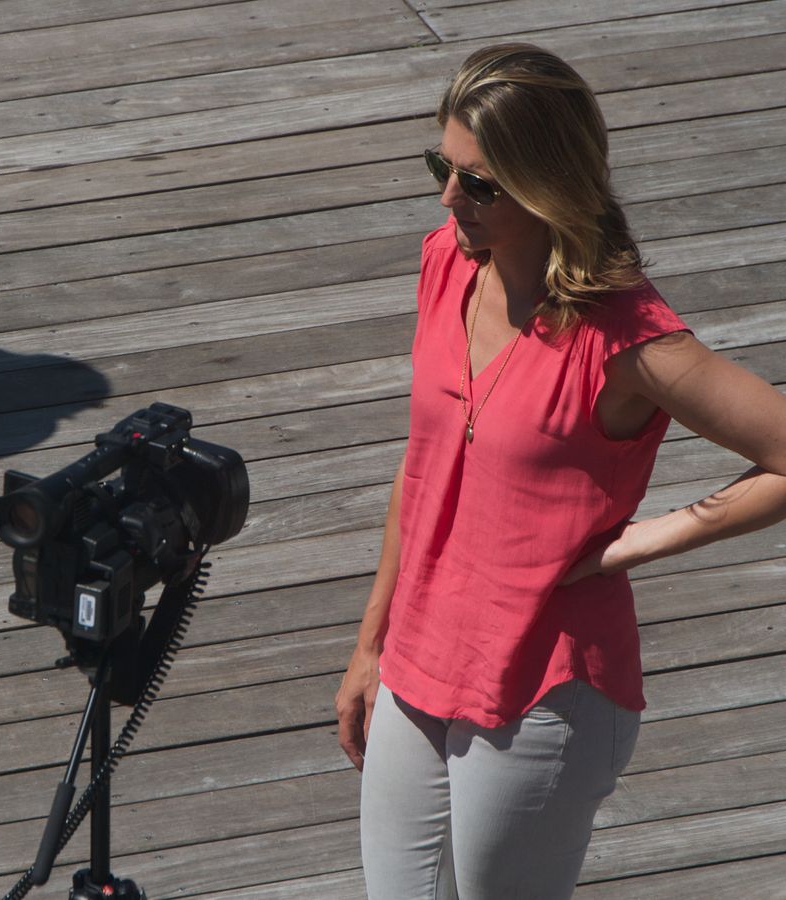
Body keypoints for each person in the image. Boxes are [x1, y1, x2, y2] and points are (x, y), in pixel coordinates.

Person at [334, 43, 786, 900]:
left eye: (478, 182)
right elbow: (423, 464)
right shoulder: (446, 265)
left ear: (547, 183)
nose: (447, 197)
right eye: (444, 165)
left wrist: (643, 541)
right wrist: (369, 646)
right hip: (418, 656)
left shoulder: (627, 337)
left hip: (545, 685)